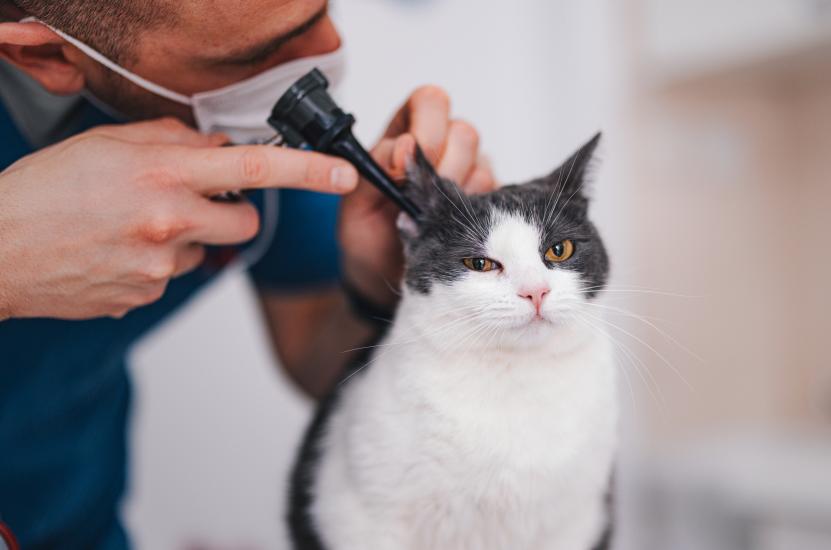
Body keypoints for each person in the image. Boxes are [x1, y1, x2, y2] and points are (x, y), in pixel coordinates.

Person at [0, 0, 495, 547]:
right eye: (260, 55)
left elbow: (313, 346)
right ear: (45, 56)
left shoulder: (255, 109)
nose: (327, 54)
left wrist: (391, 291)